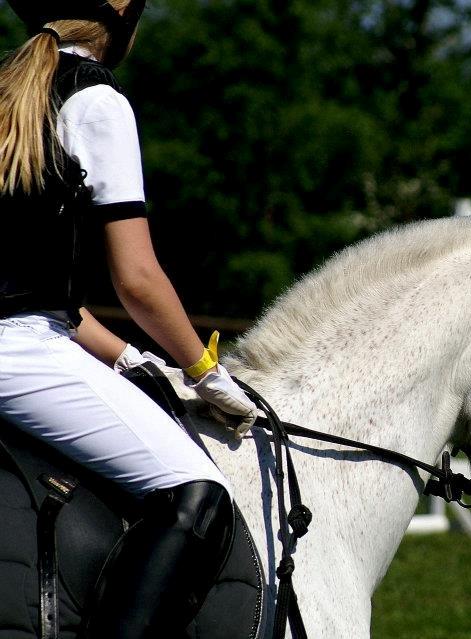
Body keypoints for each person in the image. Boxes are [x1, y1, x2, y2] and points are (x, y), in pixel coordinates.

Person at [0, 1, 258, 636]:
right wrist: (204, 370)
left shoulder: (12, 87)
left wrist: (127, 357)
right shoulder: (95, 100)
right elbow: (138, 280)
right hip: (18, 354)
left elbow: (36, 294)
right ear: (122, 18)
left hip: (28, 342)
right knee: (196, 492)